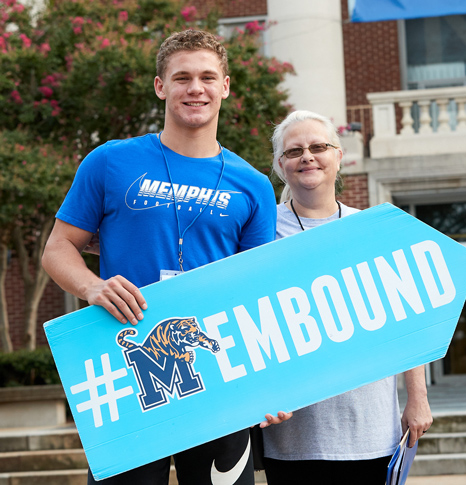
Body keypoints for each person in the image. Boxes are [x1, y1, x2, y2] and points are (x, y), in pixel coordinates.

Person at [42, 29, 290, 485]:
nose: (196, 88)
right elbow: (58, 247)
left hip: (219, 378)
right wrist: (91, 286)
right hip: (128, 368)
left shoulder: (253, 184)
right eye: (182, 78)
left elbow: (259, 291)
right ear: (161, 86)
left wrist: (267, 383)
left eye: (207, 77)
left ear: (226, 86)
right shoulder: (110, 161)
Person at [261, 110, 433, 485]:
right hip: (292, 435)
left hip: (371, 428)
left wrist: (417, 397)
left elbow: (408, 317)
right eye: (294, 151)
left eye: (319, 147)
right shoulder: (261, 234)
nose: (307, 156)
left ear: (339, 156)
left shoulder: (375, 230)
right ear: (279, 165)